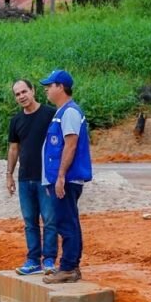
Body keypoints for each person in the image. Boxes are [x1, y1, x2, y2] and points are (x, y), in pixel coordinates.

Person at [39, 69, 93, 284]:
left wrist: (60, 176)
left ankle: (68, 267)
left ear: (61, 87)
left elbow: (70, 145)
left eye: (49, 86)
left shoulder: (69, 112)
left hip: (67, 179)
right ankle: (71, 265)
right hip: (63, 178)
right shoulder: (62, 112)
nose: (46, 90)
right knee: (69, 221)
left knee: (66, 223)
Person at [6, 79, 57, 276]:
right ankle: (33, 260)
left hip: (46, 178)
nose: (22, 96)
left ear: (33, 90)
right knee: (29, 221)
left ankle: (49, 260)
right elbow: (13, 149)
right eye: (17, 94)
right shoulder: (16, 121)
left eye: (24, 91)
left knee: (50, 219)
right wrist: (9, 175)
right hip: (25, 178)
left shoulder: (50, 114)